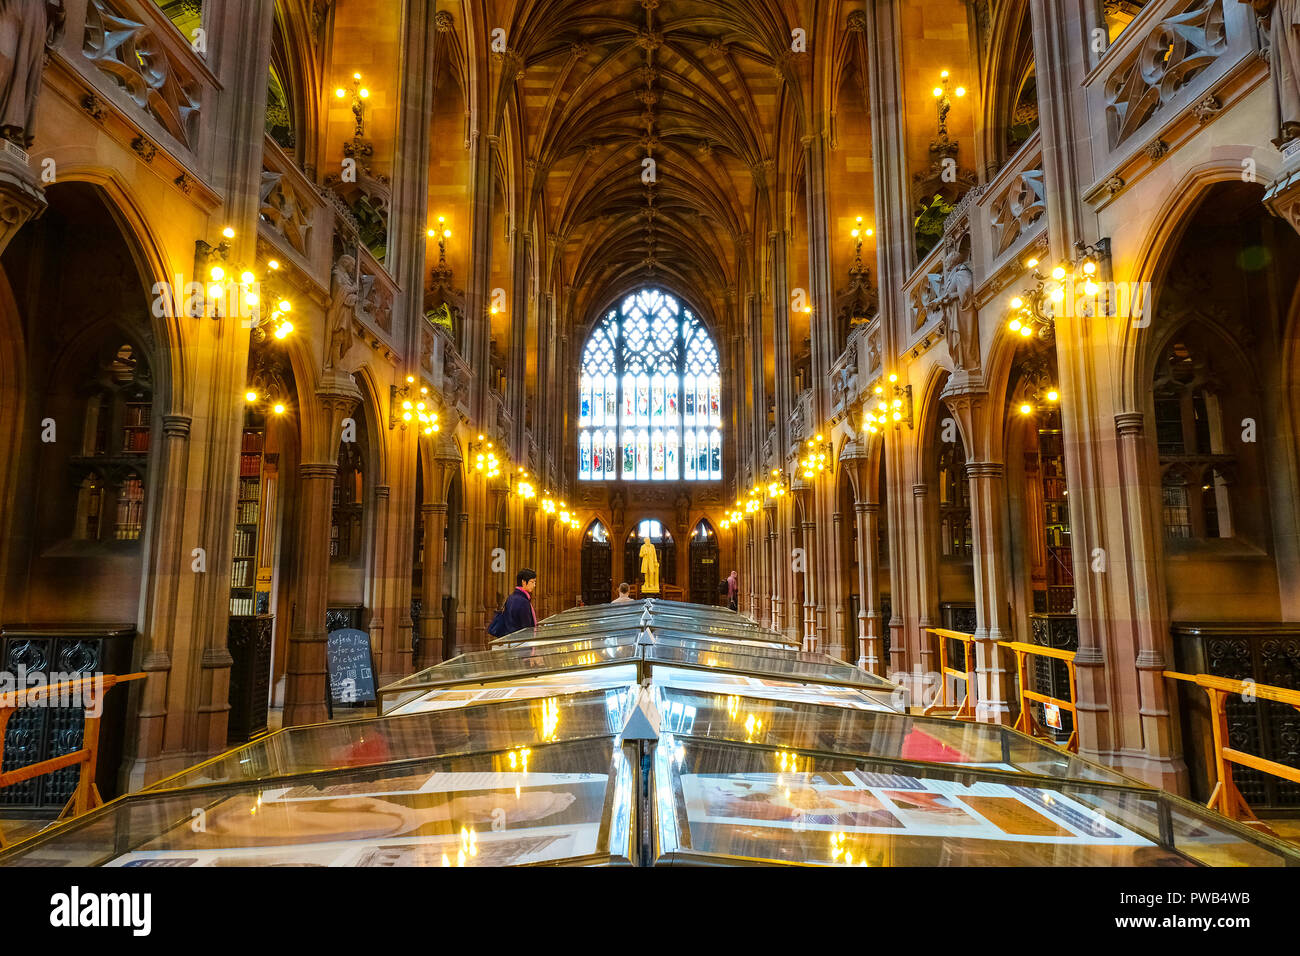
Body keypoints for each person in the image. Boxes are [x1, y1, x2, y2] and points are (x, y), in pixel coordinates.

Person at [499, 569, 538, 635]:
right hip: (520, 640)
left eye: (535, 582)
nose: (534, 585)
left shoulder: (510, 597)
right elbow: (527, 628)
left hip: (509, 638)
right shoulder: (523, 602)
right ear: (524, 582)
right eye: (532, 582)